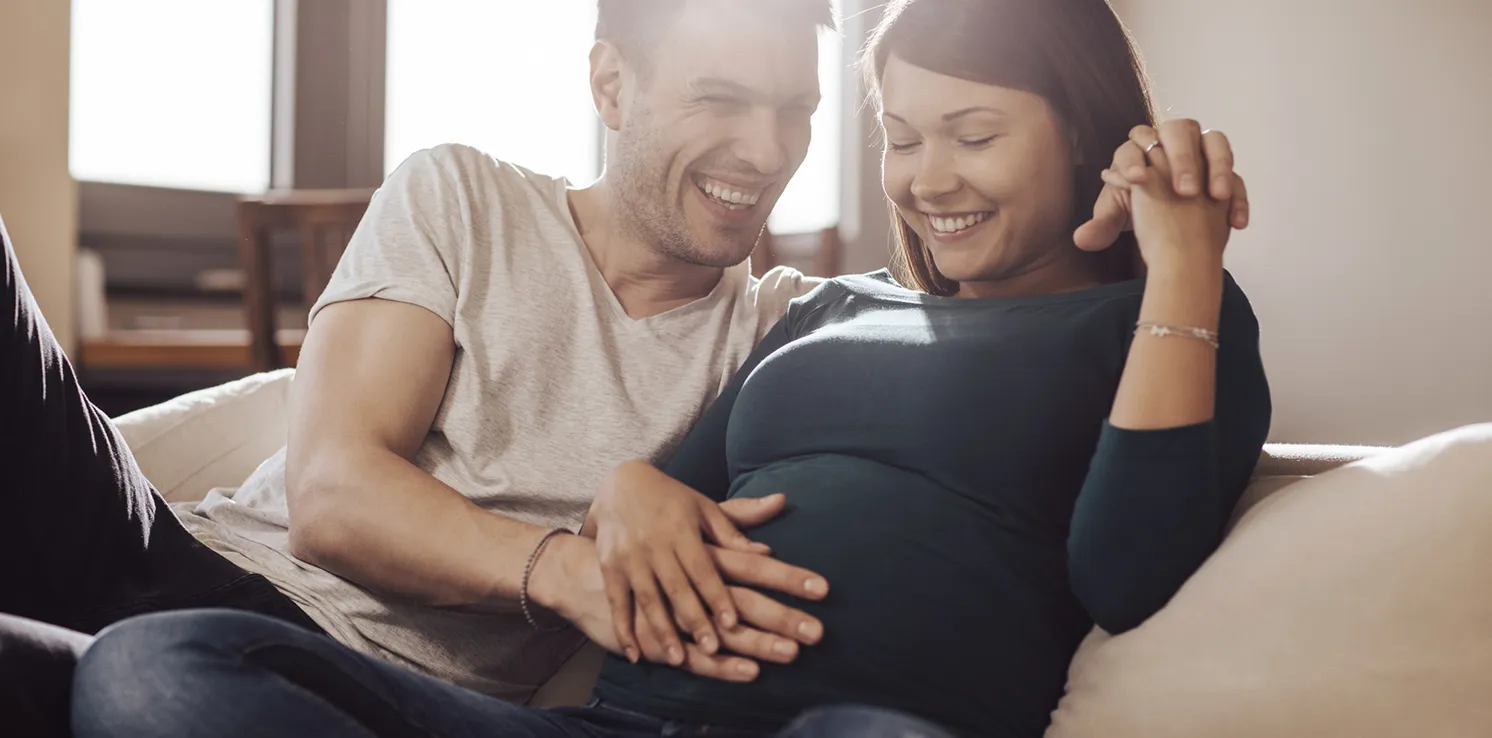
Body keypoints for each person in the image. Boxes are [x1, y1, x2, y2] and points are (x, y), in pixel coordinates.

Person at [66, 0, 1269, 736]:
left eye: (975, 135)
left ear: (1080, 131)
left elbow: (1128, 570)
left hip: (858, 726)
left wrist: (1179, 267)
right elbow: (664, 488)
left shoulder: (1167, 326)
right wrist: (627, 493)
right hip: (618, 722)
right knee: (159, 672)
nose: (927, 178)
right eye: (901, 138)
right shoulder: (829, 310)